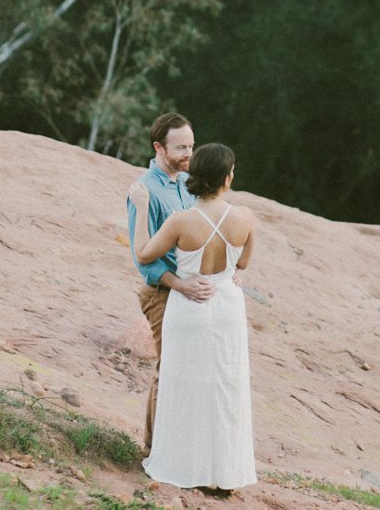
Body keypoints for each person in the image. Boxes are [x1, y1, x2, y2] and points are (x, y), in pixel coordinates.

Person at [129, 142, 257, 495]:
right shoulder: (245, 217)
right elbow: (242, 264)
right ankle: (224, 475)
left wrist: (142, 208)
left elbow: (143, 253)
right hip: (227, 306)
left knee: (184, 385)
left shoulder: (181, 221)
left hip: (188, 306)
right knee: (226, 387)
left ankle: (181, 465)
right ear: (227, 178)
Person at [127, 113, 216, 456]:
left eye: (191, 146)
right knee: (169, 369)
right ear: (158, 147)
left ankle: (179, 447)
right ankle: (152, 450)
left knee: (191, 369)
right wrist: (179, 285)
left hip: (190, 290)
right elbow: (143, 259)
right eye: (180, 147)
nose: (188, 154)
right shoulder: (144, 190)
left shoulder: (188, 184)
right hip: (163, 293)